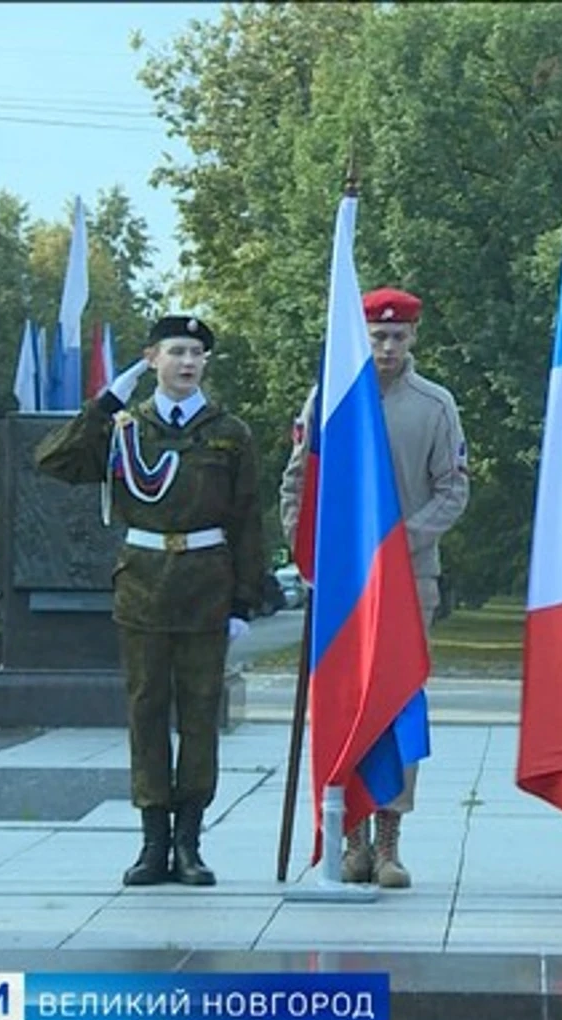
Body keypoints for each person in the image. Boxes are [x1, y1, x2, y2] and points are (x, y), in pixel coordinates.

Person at [34, 315, 265, 888]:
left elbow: (247, 520)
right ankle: (151, 842)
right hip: (142, 584)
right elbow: (53, 461)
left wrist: (243, 601)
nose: (188, 363)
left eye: (197, 354)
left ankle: (188, 843)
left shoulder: (228, 432)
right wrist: (105, 401)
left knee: (199, 715)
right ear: (152, 360)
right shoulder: (123, 428)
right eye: (176, 352)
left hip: (206, 586)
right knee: (145, 711)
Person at [279, 286, 470, 889]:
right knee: (345, 706)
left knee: (395, 710)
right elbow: (296, 486)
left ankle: (389, 843)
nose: (387, 347)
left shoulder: (434, 405)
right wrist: (312, 550)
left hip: (407, 583)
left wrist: (398, 543)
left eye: (397, 336)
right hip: (343, 587)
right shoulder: (330, 400)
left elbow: (453, 491)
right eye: (377, 336)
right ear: (360, 336)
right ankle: (350, 838)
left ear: (414, 337)